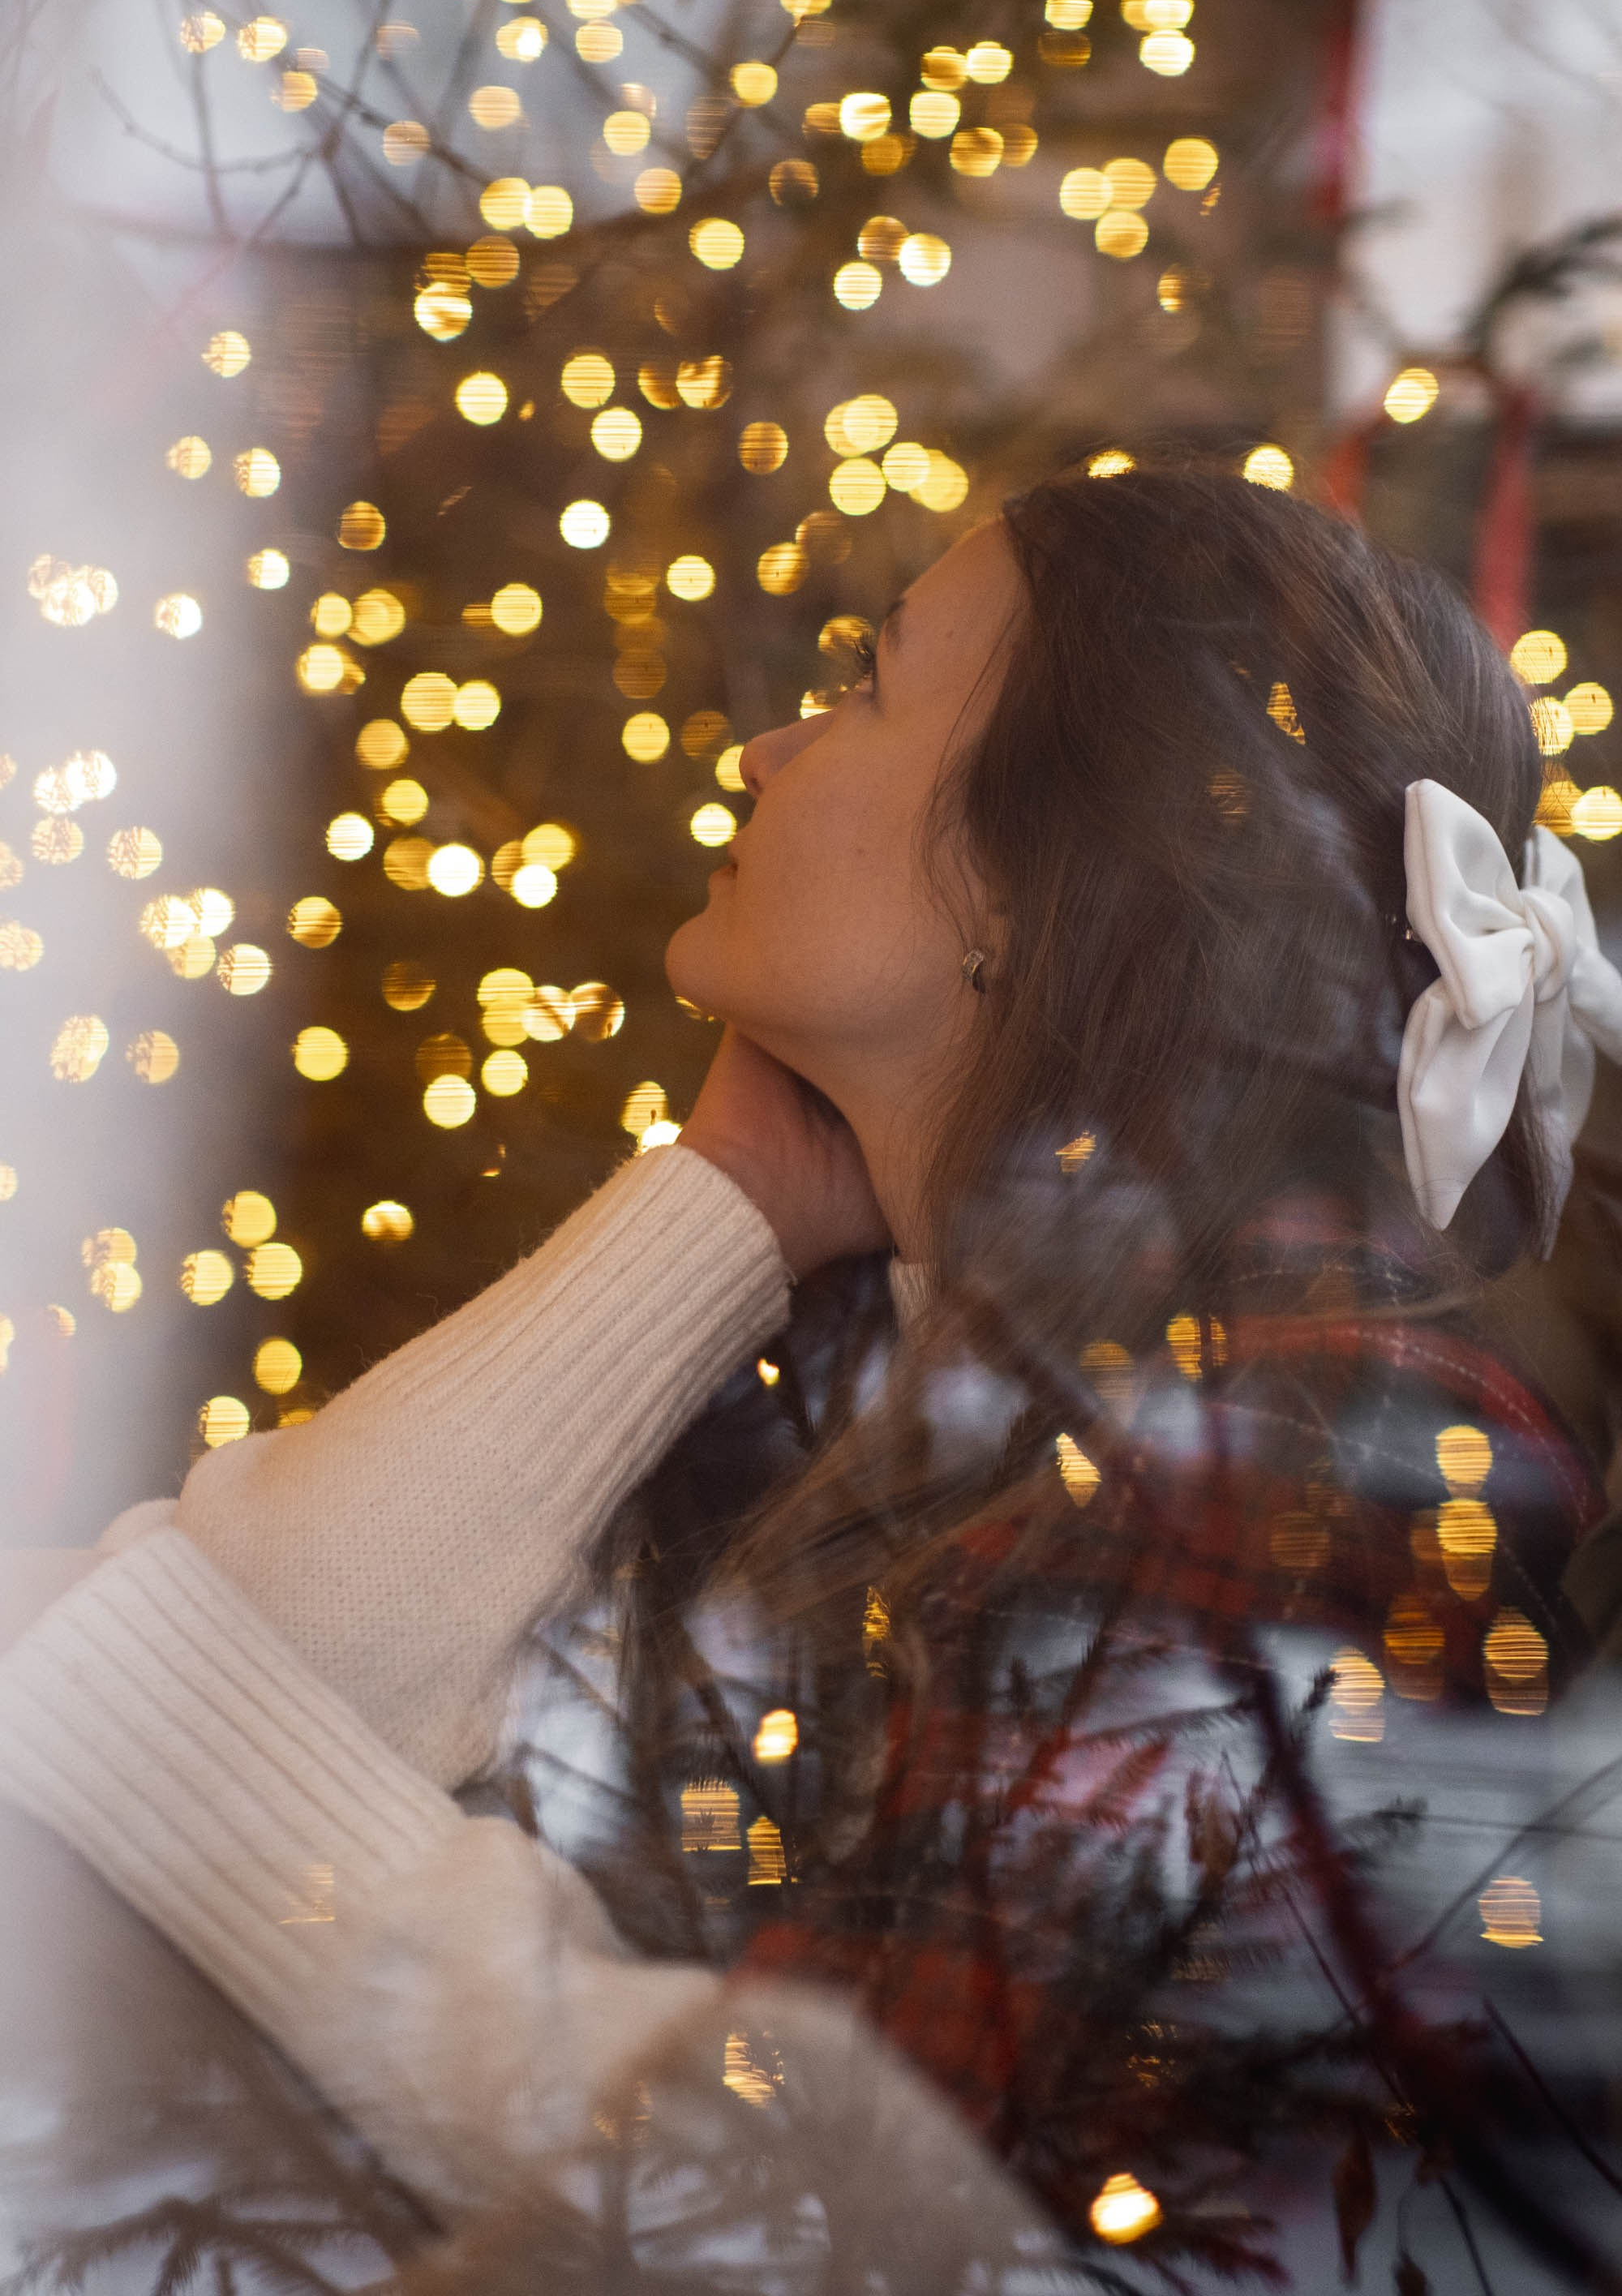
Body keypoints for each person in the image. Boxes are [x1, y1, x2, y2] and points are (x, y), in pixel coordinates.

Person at [4, 468, 1622, 2291]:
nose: (768, 747)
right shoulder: (923, 1355)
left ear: (1031, 878)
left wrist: (301, 1866)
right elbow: (220, 1665)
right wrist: (729, 1205)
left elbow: (790, 2221)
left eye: (864, 683)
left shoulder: (1276, 1452)